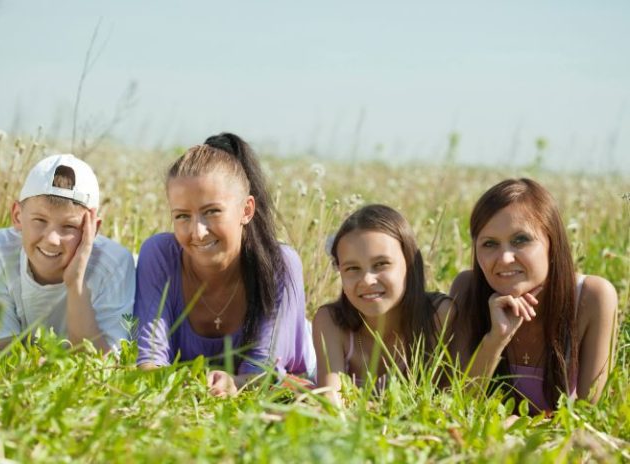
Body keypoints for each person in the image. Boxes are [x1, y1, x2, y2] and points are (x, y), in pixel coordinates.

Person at [134, 133, 314, 396]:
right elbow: (149, 360)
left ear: (246, 210)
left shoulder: (280, 263)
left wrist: (234, 384)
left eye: (212, 212)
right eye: (182, 216)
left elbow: (261, 374)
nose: (197, 232)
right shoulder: (159, 254)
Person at [450, 178, 618, 413]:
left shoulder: (593, 297)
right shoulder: (467, 288)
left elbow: (587, 414)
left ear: (552, 242)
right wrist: (496, 340)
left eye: (521, 240)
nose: (505, 258)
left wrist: (518, 428)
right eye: (489, 244)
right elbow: (457, 401)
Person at [0, 154, 135, 353]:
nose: (52, 239)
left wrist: (76, 283)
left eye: (69, 226)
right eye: (40, 220)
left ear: (93, 229)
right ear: (17, 216)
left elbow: (104, 362)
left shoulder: (114, 264)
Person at [312, 204, 452, 406]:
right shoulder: (331, 322)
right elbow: (331, 402)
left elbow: (452, 397)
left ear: (410, 263)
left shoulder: (438, 315)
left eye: (381, 264)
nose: (367, 280)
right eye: (352, 268)